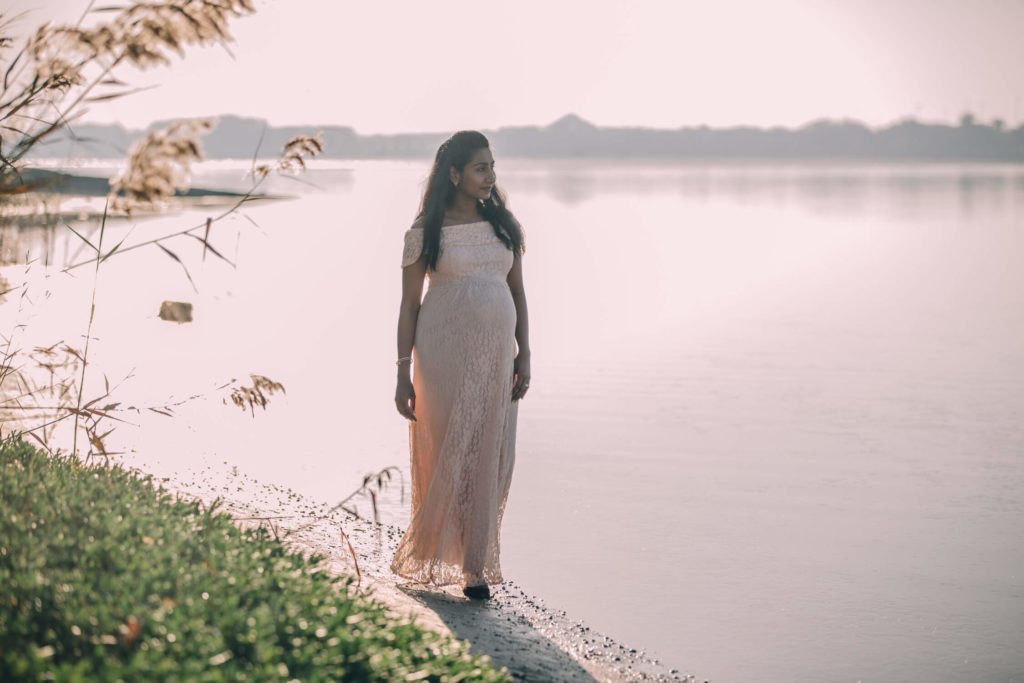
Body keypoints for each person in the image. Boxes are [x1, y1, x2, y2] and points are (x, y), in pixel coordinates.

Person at [391, 130, 531, 600]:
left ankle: (474, 566)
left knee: (489, 452)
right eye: (480, 168)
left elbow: (517, 292)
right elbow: (409, 306)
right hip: (443, 355)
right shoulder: (423, 234)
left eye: (492, 167)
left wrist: (524, 353)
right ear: (454, 175)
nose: (491, 176)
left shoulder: (504, 226)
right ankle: (441, 554)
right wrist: (401, 372)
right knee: (452, 448)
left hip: (496, 358)